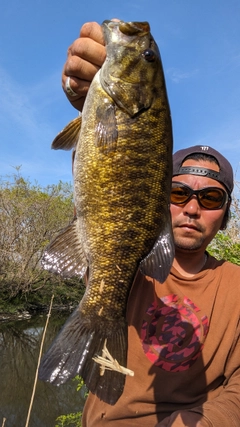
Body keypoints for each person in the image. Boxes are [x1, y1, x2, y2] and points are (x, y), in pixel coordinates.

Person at [61, 21, 240, 427]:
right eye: (179, 194)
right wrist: (86, 100)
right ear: (159, 197)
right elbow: (105, 179)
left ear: (226, 213)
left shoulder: (236, 288)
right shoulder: (135, 271)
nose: (193, 207)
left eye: (210, 197)